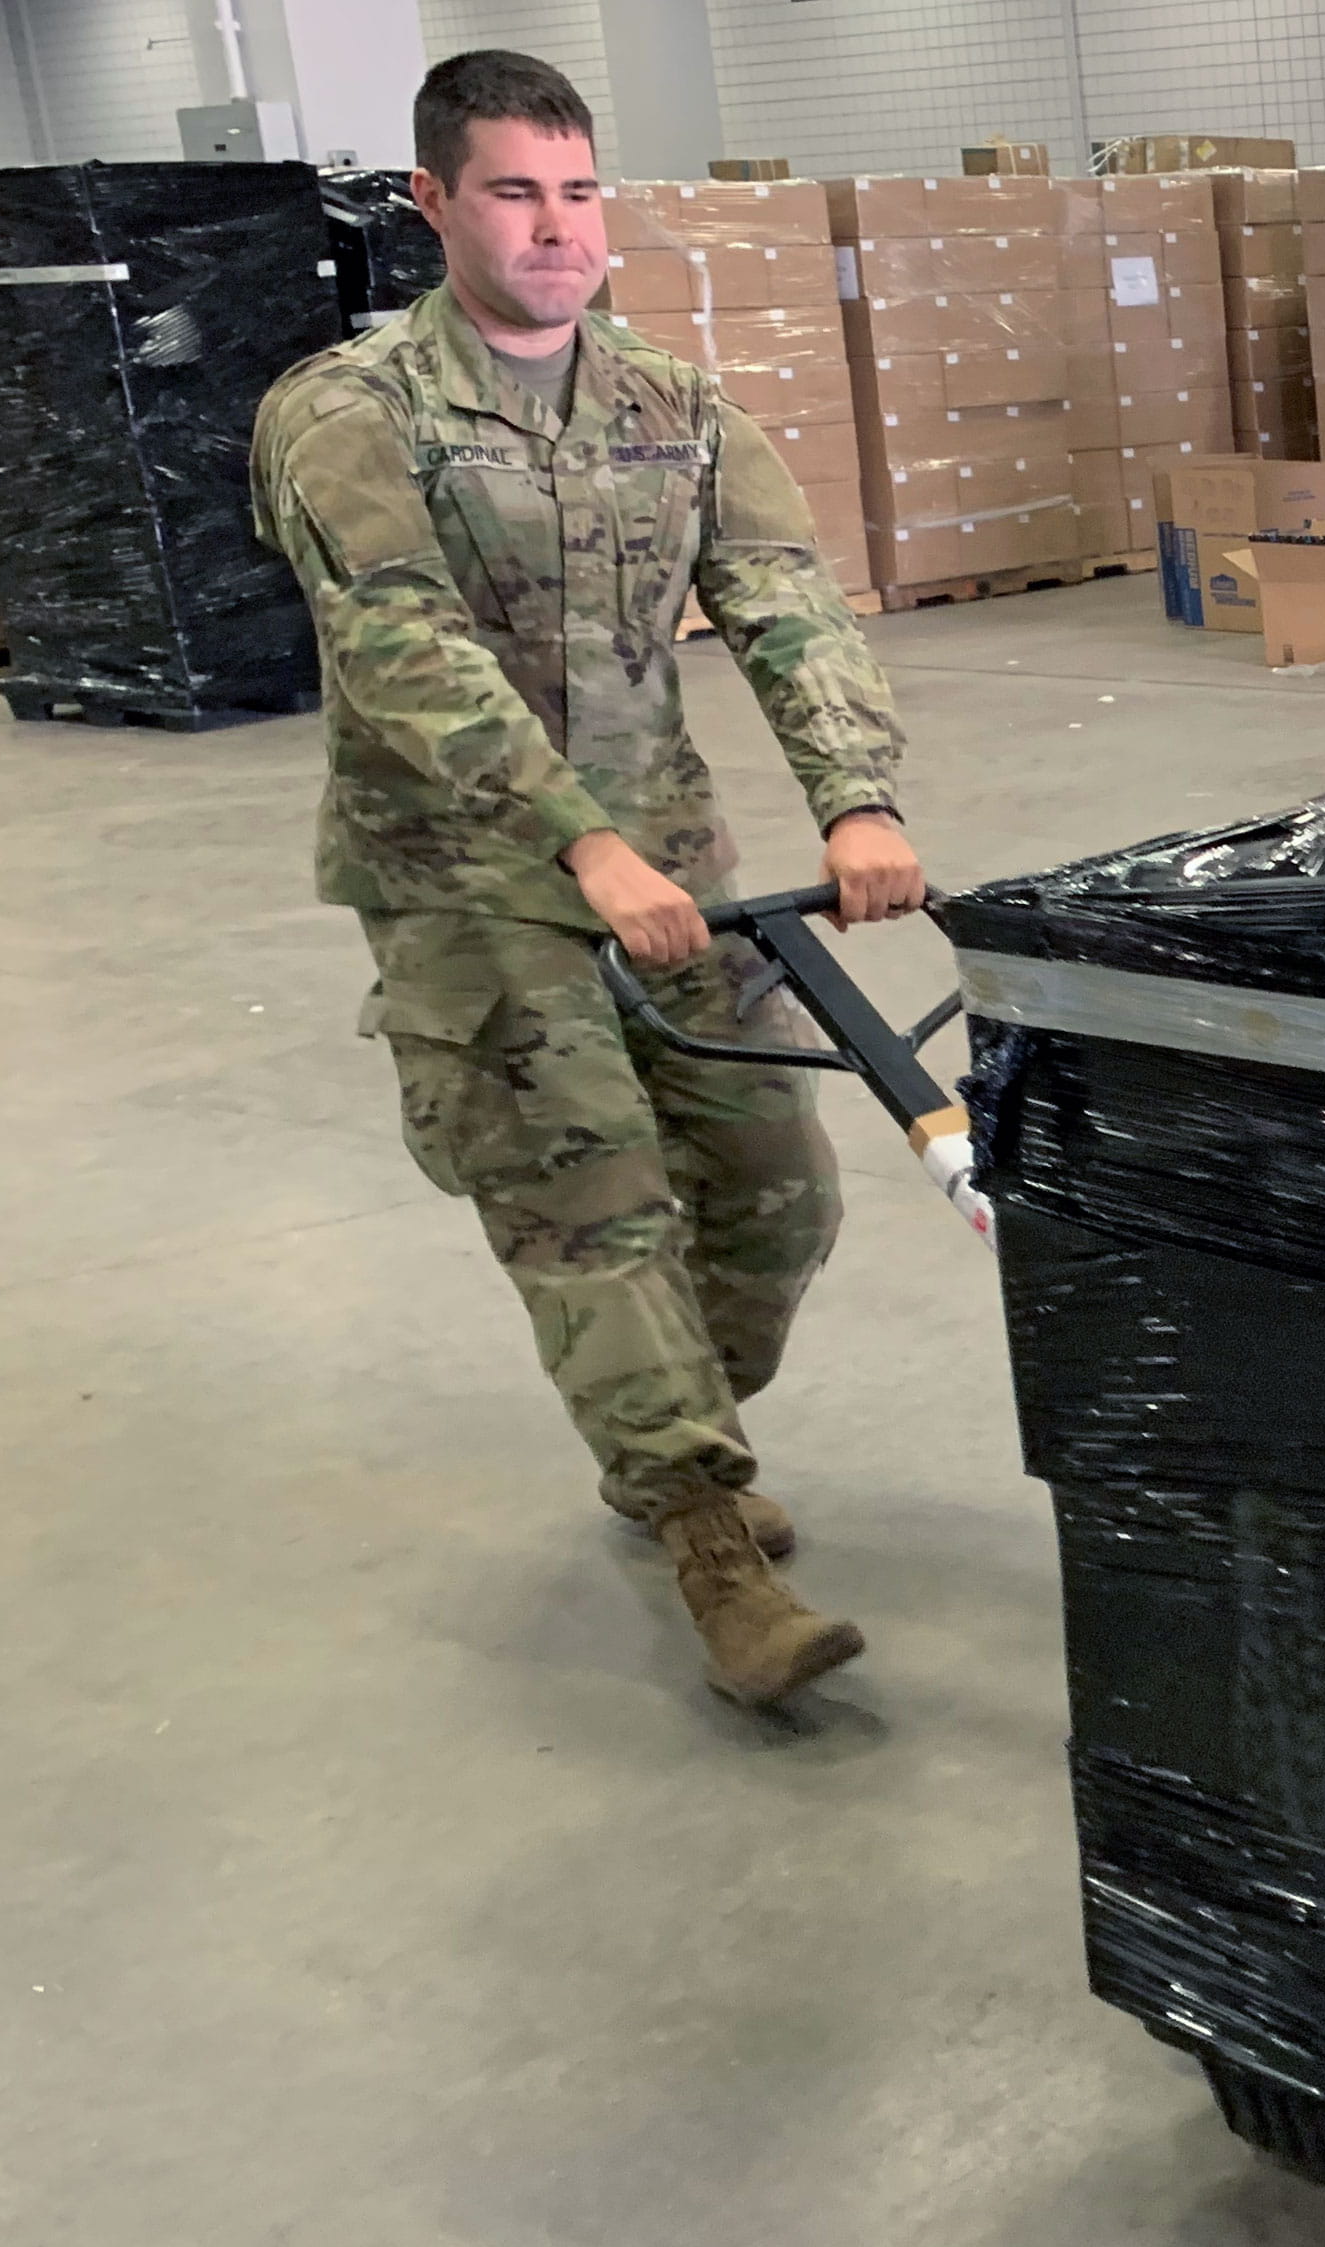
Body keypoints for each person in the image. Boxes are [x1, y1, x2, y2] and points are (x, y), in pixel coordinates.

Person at [249, 50, 920, 1711]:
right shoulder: (348, 412)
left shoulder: (671, 405)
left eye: (577, 191)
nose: (556, 230)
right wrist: (581, 841)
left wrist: (854, 800)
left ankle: (665, 1441)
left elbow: (783, 599)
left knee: (780, 1194)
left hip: (678, 878)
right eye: (513, 192)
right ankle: (710, 1539)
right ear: (433, 202)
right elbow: (400, 647)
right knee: (595, 1207)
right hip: (469, 885)